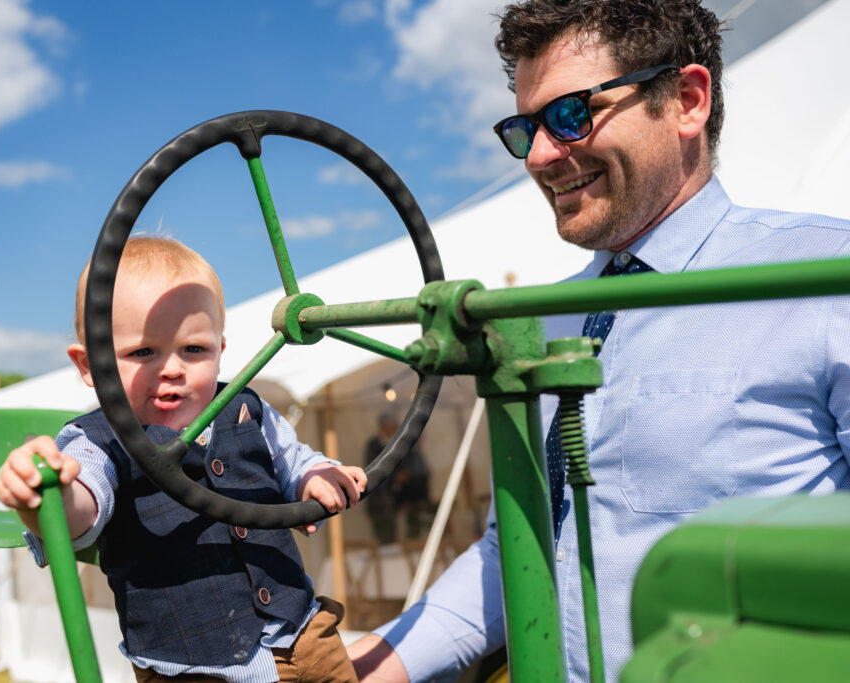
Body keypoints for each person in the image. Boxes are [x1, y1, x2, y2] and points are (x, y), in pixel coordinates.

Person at [347, 1, 850, 681]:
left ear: (688, 101)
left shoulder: (824, 279)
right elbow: (514, 553)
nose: (543, 155)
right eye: (526, 128)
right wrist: (369, 664)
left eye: (571, 113)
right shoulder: (546, 319)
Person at [0, 236, 367, 683]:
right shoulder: (97, 442)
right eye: (142, 352)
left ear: (221, 349)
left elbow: (293, 460)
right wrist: (45, 493)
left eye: (194, 349)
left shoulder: (246, 407)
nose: (172, 368)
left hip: (306, 638)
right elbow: (81, 510)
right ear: (88, 364)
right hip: (193, 667)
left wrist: (316, 475)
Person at [364, 412, 432, 543]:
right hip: (379, 499)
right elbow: (373, 470)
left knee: (404, 531)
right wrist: (394, 477)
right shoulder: (374, 445)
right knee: (384, 535)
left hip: (397, 497)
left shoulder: (397, 443)